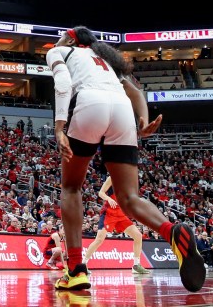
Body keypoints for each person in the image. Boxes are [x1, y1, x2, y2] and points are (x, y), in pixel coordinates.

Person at [47, 26, 205, 292]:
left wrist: (60, 125)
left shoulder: (60, 50)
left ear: (71, 39)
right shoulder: (106, 62)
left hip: (89, 104)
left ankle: (75, 269)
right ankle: (171, 231)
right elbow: (135, 92)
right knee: (130, 197)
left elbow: (62, 84)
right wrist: (141, 121)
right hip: (121, 110)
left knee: (71, 187)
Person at [81, 175, 149, 274]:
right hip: (109, 213)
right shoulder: (112, 178)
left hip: (121, 215)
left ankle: (136, 265)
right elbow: (101, 193)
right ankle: (83, 264)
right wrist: (108, 199)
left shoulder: (129, 180)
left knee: (138, 235)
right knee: (99, 239)